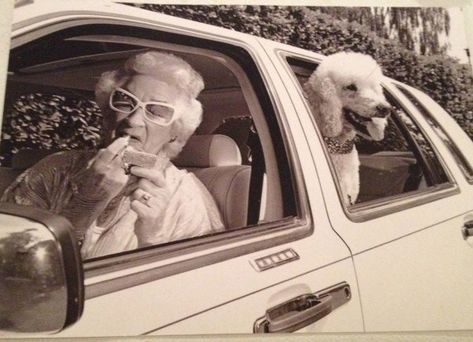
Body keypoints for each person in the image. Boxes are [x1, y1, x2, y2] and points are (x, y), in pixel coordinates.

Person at [1, 51, 224, 258]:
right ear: (108, 114)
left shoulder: (185, 197)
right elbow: (11, 260)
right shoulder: (55, 169)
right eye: (125, 102)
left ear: (175, 133)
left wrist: (154, 239)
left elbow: (191, 288)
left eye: (156, 111)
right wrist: (85, 205)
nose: (133, 120)